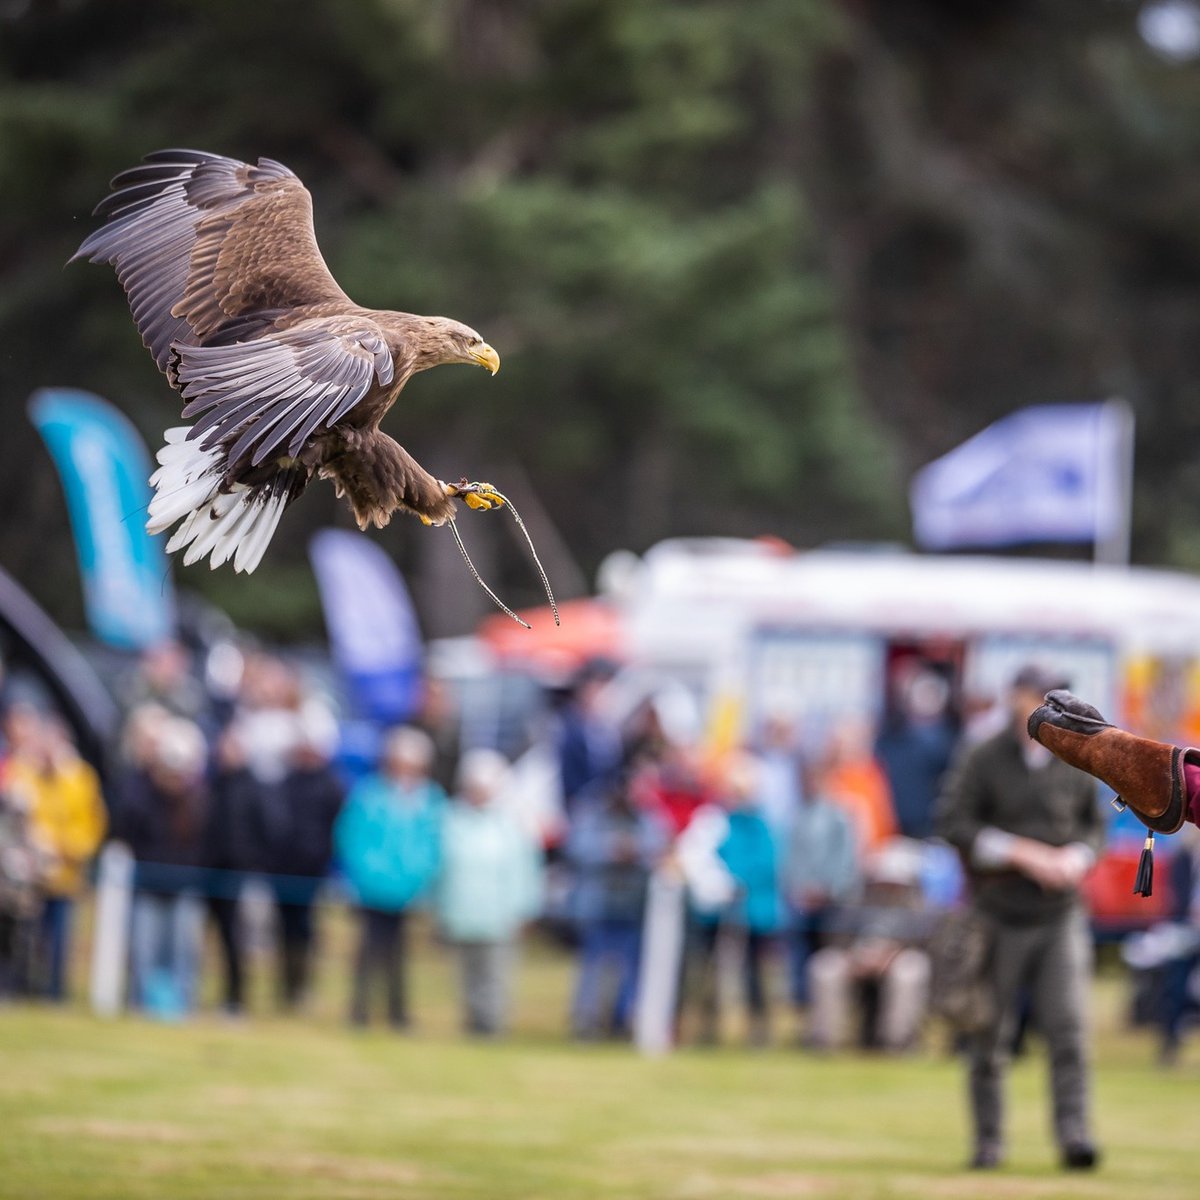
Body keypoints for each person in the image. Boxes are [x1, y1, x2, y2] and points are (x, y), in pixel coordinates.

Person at [936, 666, 1104, 1172]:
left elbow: (1093, 828)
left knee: (1069, 1029)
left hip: (1059, 914)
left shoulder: (1077, 756)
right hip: (999, 912)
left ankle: (1074, 1134)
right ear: (1016, 699)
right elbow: (953, 822)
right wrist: (1021, 852)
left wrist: (1074, 858)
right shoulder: (984, 755)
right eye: (1034, 697)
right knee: (989, 1032)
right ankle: (989, 1140)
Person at [335, 726, 444, 1029]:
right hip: (373, 887)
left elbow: (432, 845)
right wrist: (368, 875)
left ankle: (398, 1013)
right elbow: (352, 837)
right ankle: (360, 1011)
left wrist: (417, 878)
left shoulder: (429, 799)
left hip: (407, 889)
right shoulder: (370, 794)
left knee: (399, 954)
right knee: (368, 950)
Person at [4, 705, 107, 1001]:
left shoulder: (79, 777)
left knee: (59, 939)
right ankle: (22, 987)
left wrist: (63, 846)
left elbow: (91, 825)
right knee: (24, 936)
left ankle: (54, 993)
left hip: (65, 874)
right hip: (27, 876)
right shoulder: (24, 772)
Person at [436, 749, 542, 1037]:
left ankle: (492, 1026)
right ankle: (472, 1022)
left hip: (499, 914)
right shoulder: (451, 818)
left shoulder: (512, 822)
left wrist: (524, 909)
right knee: (466, 973)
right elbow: (442, 867)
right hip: (462, 911)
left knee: (495, 974)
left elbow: (525, 870)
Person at [114, 717, 210, 1017]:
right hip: (148, 884)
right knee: (144, 951)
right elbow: (126, 827)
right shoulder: (141, 792)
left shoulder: (198, 799)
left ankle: (180, 1008)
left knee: (183, 953)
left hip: (184, 886)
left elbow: (206, 843)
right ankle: (141, 1005)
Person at [806, 838, 936, 1053]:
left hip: (895, 960)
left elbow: (924, 941)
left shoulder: (917, 905)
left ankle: (898, 1041)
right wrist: (852, 957)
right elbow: (835, 935)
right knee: (825, 967)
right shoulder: (855, 900)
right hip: (855, 959)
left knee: (911, 969)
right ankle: (826, 1039)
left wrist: (891, 956)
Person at [566, 770, 669, 1039]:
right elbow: (576, 848)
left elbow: (661, 847)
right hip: (598, 906)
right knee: (593, 967)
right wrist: (611, 850)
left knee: (631, 968)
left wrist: (636, 852)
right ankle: (587, 1020)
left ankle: (623, 1020)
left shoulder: (647, 819)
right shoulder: (592, 815)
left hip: (634, 907)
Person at [688, 753, 781, 1047]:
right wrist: (721, 884)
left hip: (752, 910)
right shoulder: (716, 822)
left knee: (753, 973)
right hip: (718, 908)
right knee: (709, 971)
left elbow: (765, 863)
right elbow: (707, 857)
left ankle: (759, 1027)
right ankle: (708, 1024)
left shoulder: (760, 825)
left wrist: (738, 881)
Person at [261, 712, 345, 1011]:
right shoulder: (284, 781)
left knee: (306, 930)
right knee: (284, 930)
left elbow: (337, 826)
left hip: (312, 870)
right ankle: (286, 988)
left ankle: (302, 989)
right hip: (283, 868)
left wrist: (323, 859)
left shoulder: (330, 784)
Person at [782, 767, 861, 1022]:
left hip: (832, 905)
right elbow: (791, 859)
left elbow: (846, 859)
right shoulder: (799, 816)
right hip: (803, 904)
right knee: (800, 963)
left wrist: (829, 889)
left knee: (830, 960)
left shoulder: (840, 816)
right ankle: (804, 1014)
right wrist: (801, 889)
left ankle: (830, 1020)